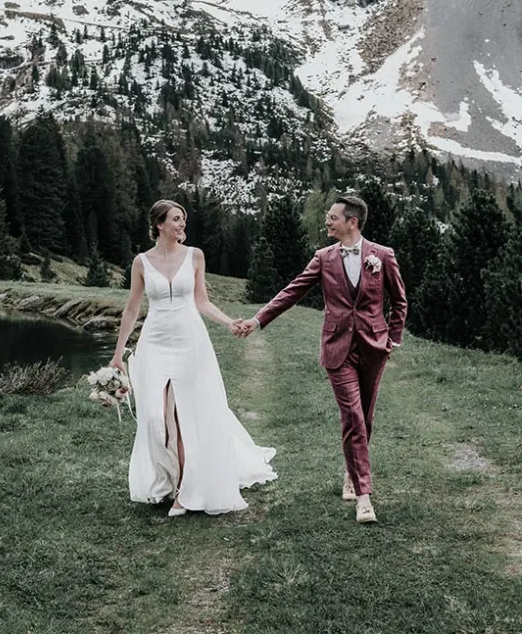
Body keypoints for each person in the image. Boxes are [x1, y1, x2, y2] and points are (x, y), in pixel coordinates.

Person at [237, 194, 407, 524]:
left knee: (365, 418)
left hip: (374, 347)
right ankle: (364, 497)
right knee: (353, 417)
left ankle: (351, 471)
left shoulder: (382, 255)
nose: (326, 222)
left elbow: (399, 301)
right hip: (336, 347)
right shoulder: (323, 258)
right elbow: (292, 291)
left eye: (332, 217)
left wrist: (392, 339)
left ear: (352, 222)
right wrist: (257, 320)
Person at [109, 199, 276, 517]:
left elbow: (202, 301)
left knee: (186, 416)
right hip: (154, 342)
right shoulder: (141, 262)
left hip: (190, 340)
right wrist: (118, 355)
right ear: (159, 224)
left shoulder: (195, 256)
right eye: (176, 219)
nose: (182, 224)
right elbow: (131, 309)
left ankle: (185, 490)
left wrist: (228, 322)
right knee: (155, 417)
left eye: (183, 219)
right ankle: (167, 478)